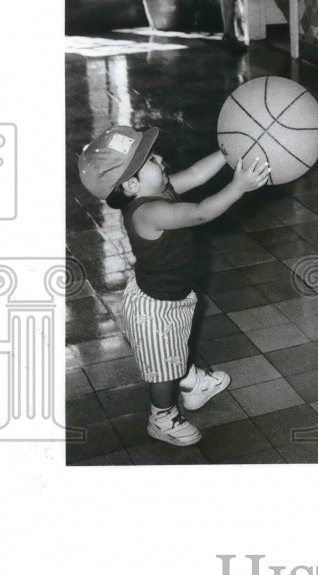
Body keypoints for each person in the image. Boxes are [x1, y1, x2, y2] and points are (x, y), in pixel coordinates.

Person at [78, 125, 270, 446]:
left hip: (172, 294)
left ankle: (191, 384)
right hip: (155, 309)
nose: (160, 158)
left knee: (174, 347)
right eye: (150, 159)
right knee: (162, 369)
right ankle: (162, 416)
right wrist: (239, 187)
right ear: (131, 184)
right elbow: (199, 213)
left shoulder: (155, 190)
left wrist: (229, 150)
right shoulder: (149, 212)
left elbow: (195, 174)